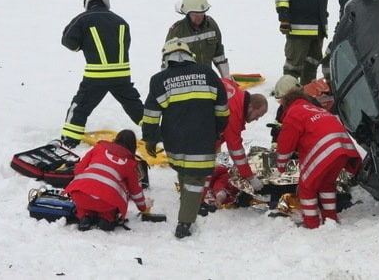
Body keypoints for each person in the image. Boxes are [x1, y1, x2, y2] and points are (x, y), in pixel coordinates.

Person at [142, 38, 229, 239]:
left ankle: (191, 203)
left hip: (174, 140)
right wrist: (218, 130)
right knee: (195, 178)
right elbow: (222, 109)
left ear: (166, 59)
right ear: (190, 56)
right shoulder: (208, 74)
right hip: (202, 138)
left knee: (184, 169)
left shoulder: (159, 80)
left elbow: (151, 115)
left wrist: (151, 139)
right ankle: (185, 221)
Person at [60, 0, 144, 148]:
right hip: (122, 76)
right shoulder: (122, 21)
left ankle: (69, 141)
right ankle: (155, 133)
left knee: (80, 107)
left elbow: (68, 41)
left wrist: (82, 45)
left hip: (96, 75)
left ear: (87, 3)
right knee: (134, 106)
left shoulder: (82, 19)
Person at [274, 89, 362, 229]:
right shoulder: (315, 109)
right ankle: (330, 218)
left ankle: (311, 223)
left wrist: (280, 165)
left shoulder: (294, 113)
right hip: (342, 148)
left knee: (307, 187)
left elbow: (286, 143)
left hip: (325, 148)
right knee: (326, 184)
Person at [65, 129, 150, 231]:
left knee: (84, 199)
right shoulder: (130, 163)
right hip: (106, 202)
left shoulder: (99, 147)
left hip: (81, 196)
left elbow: (78, 170)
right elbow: (135, 191)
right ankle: (106, 218)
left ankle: (84, 216)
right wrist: (143, 207)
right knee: (112, 196)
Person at [217, 77, 268, 192]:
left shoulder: (237, 95)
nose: (256, 119)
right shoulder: (234, 111)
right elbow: (235, 149)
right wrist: (250, 177)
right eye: (258, 115)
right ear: (250, 107)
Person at [165, 0, 230, 78]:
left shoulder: (211, 26)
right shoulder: (176, 31)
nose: (199, 17)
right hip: (186, 81)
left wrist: (227, 78)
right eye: (195, 15)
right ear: (187, 14)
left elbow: (219, 55)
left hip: (208, 77)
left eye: (201, 14)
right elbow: (167, 62)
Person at [322, 0, 366, 80]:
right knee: (328, 58)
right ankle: (332, 87)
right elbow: (343, 15)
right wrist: (338, 33)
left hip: (361, 36)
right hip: (344, 31)